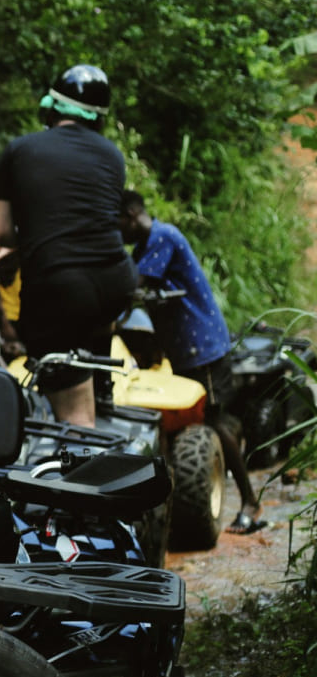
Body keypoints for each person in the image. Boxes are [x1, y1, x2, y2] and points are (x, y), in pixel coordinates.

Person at [0, 64, 137, 427]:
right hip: (118, 283)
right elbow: (88, 225)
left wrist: (26, 242)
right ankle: (101, 389)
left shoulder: (21, 149)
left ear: (50, 108)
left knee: (75, 419)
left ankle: (83, 437)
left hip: (60, 289)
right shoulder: (112, 156)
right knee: (91, 310)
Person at [118, 190, 263, 535]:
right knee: (188, 425)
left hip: (203, 346)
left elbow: (133, 287)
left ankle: (250, 502)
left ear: (133, 212)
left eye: (117, 222)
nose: (117, 232)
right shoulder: (143, 248)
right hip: (184, 348)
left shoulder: (162, 237)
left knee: (213, 422)